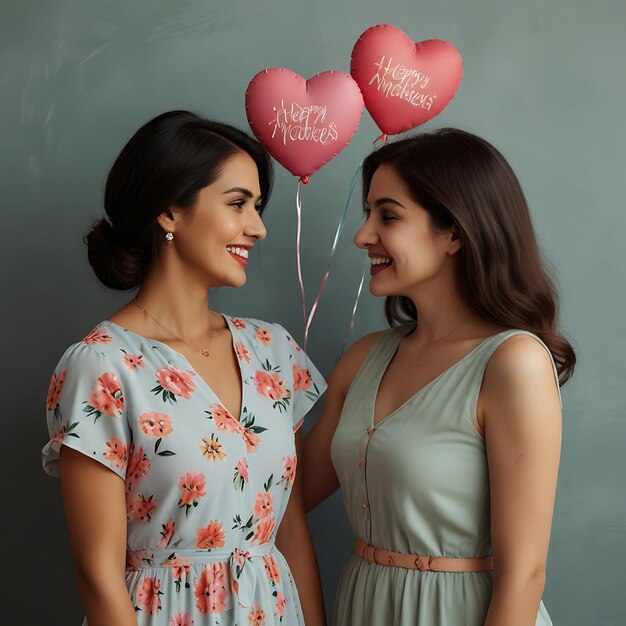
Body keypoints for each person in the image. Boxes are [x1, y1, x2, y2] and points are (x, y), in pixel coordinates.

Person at [42, 110, 327, 626]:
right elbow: (97, 576)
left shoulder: (274, 351)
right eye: (238, 204)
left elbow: (291, 531)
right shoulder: (101, 367)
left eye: (258, 207)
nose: (257, 228)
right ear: (170, 211)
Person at [303, 128, 575, 626]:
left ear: (454, 232)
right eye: (367, 214)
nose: (364, 236)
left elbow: (524, 574)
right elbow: (276, 494)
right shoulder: (363, 359)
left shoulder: (512, 363)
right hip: (361, 605)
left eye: (388, 215)